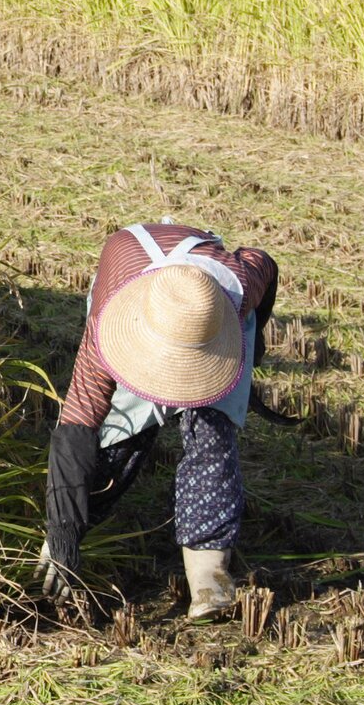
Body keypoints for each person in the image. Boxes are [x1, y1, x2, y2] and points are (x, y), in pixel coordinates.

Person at [39, 222, 278, 621]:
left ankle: (208, 573)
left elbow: (264, 264)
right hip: (142, 301)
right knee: (120, 434)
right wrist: (62, 529)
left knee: (211, 433)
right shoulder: (108, 324)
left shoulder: (236, 287)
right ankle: (64, 540)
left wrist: (254, 343)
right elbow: (78, 423)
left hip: (211, 325)